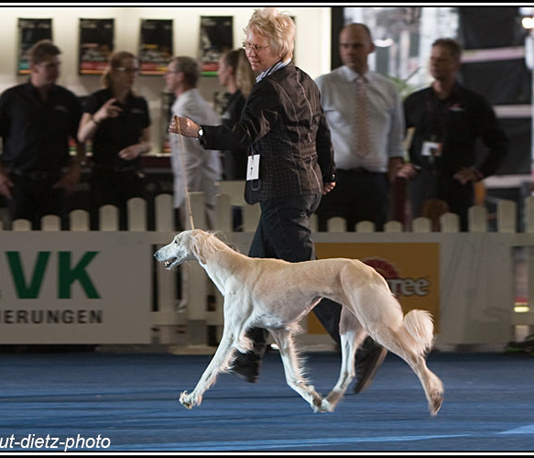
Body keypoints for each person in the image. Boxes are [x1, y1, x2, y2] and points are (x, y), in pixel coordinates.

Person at [169, 7, 385, 394]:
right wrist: (328, 174)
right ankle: (249, 355)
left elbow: (242, 136)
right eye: (247, 45)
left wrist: (196, 130)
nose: (250, 52)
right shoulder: (304, 80)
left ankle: (362, 346)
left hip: (282, 192)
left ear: (279, 46)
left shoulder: (269, 89)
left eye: (258, 45)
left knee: (308, 276)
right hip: (299, 188)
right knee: (252, 273)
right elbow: (322, 132)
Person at [399, 38, 509, 231]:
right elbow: (391, 136)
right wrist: (400, 165)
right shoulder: (415, 101)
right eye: (432, 58)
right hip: (422, 181)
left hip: (456, 183)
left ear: (456, 64)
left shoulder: (472, 103)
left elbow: (499, 144)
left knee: (456, 242)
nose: (434, 63)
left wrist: (479, 172)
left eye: (441, 59)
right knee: (420, 240)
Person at [0, 39, 85, 230]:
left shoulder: (67, 99)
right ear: (34, 67)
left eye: (57, 65)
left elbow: (80, 138)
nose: (56, 70)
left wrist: (75, 169)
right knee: (20, 239)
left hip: (55, 181)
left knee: (55, 239)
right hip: (19, 181)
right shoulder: (12, 98)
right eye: (50, 66)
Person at [315, 23, 404, 232]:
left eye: (356, 46)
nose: (350, 52)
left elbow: (395, 141)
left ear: (371, 48)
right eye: (344, 46)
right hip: (335, 180)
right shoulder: (325, 84)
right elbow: (309, 135)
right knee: (332, 248)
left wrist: (386, 181)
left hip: (375, 181)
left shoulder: (388, 89)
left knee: (371, 250)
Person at [78, 51, 151, 230]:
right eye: (128, 70)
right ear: (114, 72)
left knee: (134, 227)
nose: (132, 75)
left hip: (131, 175)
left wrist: (138, 148)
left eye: (135, 70)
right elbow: (82, 136)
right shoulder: (98, 100)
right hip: (104, 176)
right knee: (104, 227)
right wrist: (99, 116)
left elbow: (149, 142)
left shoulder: (139, 103)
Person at [165, 56, 222, 229]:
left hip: (198, 189)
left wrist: (187, 196)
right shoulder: (197, 104)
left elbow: (190, 156)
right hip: (204, 185)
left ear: (180, 76)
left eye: (169, 73)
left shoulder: (186, 107)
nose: (165, 77)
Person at [217, 48, 256, 180]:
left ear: (229, 70)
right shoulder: (233, 100)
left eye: (220, 67)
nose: (218, 72)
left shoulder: (243, 101)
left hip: (243, 175)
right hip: (233, 172)